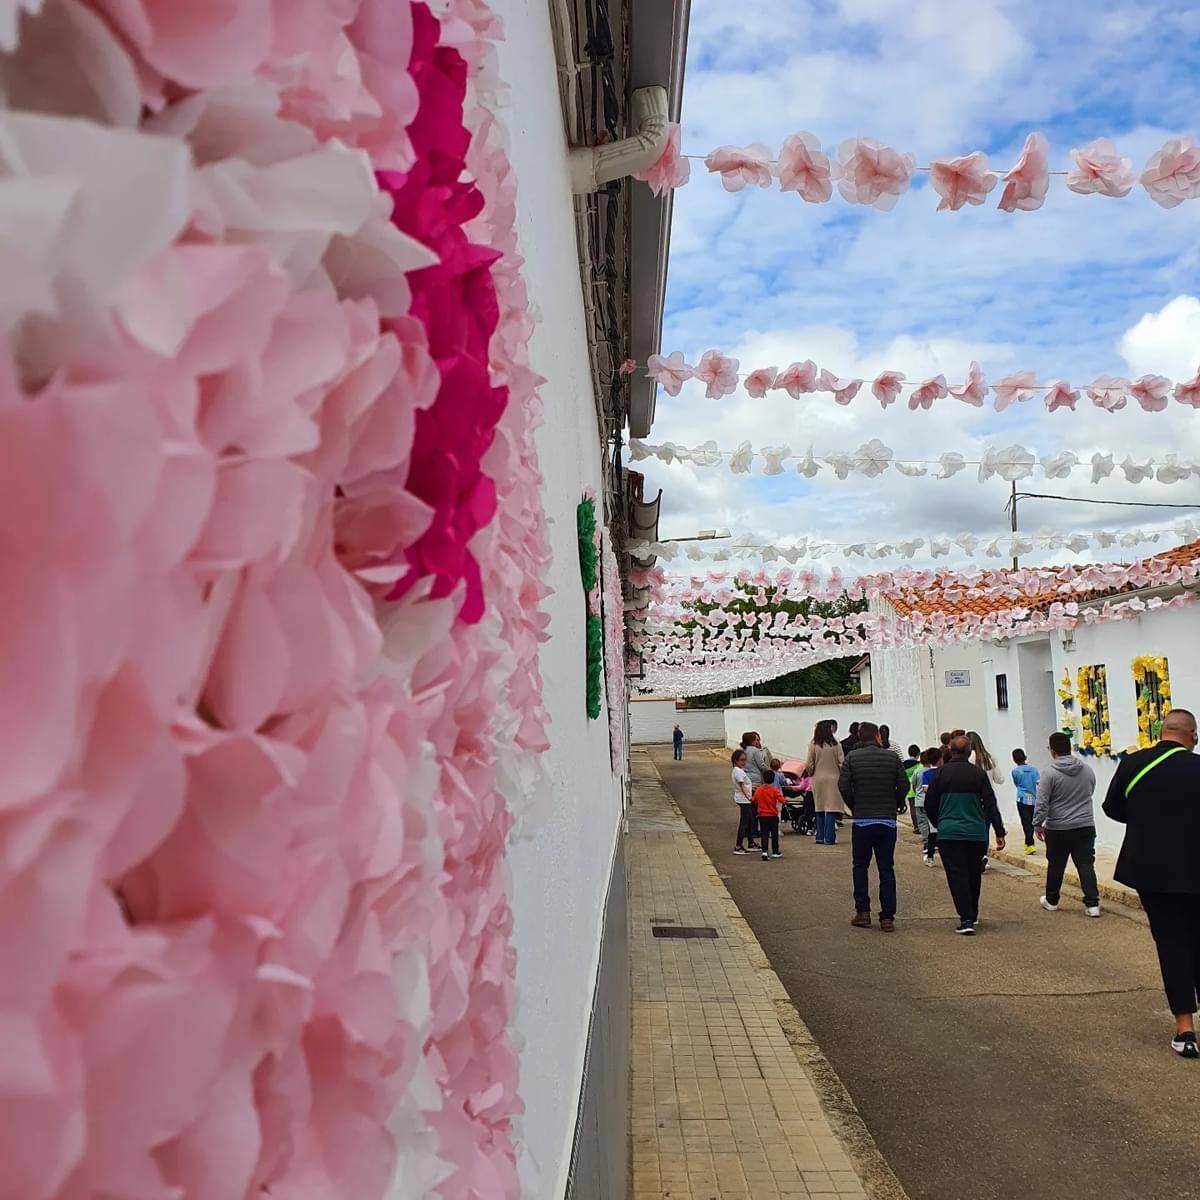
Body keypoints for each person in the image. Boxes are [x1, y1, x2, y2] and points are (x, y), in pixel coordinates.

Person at [1102, 708, 1200, 1059]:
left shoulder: (1133, 763)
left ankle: (1185, 1029)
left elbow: (1112, 808)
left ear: (1162, 733)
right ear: (1192, 736)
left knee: (1172, 941)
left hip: (1152, 871)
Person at [924, 735, 1007, 935]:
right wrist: (999, 831)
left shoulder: (940, 774)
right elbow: (990, 804)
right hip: (975, 833)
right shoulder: (978, 775)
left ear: (951, 751)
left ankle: (966, 918)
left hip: (949, 833)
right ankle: (973, 912)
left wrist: (940, 823)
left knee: (956, 875)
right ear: (970, 753)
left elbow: (929, 805)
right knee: (972, 874)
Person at [839, 721, 910, 931]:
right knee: (886, 867)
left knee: (860, 866)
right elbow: (904, 785)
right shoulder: (892, 757)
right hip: (887, 820)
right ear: (878, 736)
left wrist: (854, 805)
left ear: (860, 737)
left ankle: (863, 912)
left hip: (862, 820)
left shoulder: (852, 758)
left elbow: (843, 785)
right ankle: (887, 916)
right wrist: (895, 803)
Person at [1034, 732, 1100, 915]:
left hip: (1058, 827)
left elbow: (1042, 802)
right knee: (1086, 864)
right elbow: (1090, 790)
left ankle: (1052, 899)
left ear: (1052, 750)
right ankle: (1092, 904)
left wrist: (1037, 824)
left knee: (1056, 864)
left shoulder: (1049, 773)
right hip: (1084, 824)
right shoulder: (1087, 769)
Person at [968, 730, 1005, 870]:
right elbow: (999, 779)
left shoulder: (968, 758)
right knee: (986, 827)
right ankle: (983, 854)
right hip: (988, 797)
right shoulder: (989, 758)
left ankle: (976, 854)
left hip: (973, 798)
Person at [805, 720, 845, 845]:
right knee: (831, 808)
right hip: (833, 779)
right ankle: (829, 837)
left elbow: (809, 764)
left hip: (818, 779)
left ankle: (819, 836)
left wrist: (811, 773)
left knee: (820, 807)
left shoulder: (813, 744)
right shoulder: (836, 743)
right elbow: (842, 762)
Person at [915, 746, 943, 865]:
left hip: (931, 804)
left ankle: (930, 856)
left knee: (933, 830)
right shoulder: (944, 771)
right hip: (943, 804)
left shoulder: (927, 774)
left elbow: (926, 789)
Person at [1010, 748, 1039, 854]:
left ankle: (1029, 843)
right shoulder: (1034, 769)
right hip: (1033, 798)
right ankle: (1029, 842)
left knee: (1025, 821)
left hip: (1022, 798)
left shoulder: (1015, 771)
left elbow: (1016, 783)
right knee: (1032, 821)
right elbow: (1038, 782)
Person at [740, 732, 766, 849]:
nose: (758, 742)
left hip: (745, 781)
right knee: (755, 808)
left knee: (747, 808)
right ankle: (754, 830)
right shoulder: (755, 751)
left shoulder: (741, 750)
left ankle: (747, 830)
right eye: (756, 739)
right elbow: (761, 765)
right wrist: (771, 772)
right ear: (751, 740)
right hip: (755, 781)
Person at [754, 768, 785, 861]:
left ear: (763, 779)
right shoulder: (774, 790)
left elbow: (754, 799)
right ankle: (775, 851)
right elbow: (781, 800)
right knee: (774, 834)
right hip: (772, 815)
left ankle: (764, 851)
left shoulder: (759, 790)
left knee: (764, 834)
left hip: (762, 815)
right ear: (773, 779)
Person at [731, 748, 755, 855]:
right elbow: (742, 786)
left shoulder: (739, 771)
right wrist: (749, 797)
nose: (744, 762)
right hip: (743, 799)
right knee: (744, 822)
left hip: (744, 798)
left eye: (745, 760)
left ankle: (751, 843)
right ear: (736, 761)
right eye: (742, 760)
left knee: (750, 820)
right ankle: (738, 845)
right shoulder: (738, 771)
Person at [903, 743, 922, 833]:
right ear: (918, 754)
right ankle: (921, 825)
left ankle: (915, 826)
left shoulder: (904, 764)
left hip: (909, 789)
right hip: (918, 788)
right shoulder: (919, 765)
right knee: (919, 809)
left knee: (912, 808)